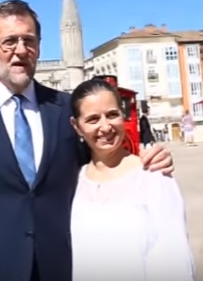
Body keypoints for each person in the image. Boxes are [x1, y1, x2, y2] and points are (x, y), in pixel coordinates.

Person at [0, 0, 174, 281]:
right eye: (9, 41)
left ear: (39, 47)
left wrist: (146, 162)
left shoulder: (66, 108)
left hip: (61, 265)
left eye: (28, 40)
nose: (20, 50)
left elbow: (103, 162)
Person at [69, 79, 194, 280]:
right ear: (76, 127)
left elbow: (175, 259)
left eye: (112, 115)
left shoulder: (154, 176)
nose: (105, 127)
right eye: (93, 119)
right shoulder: (74, 182)